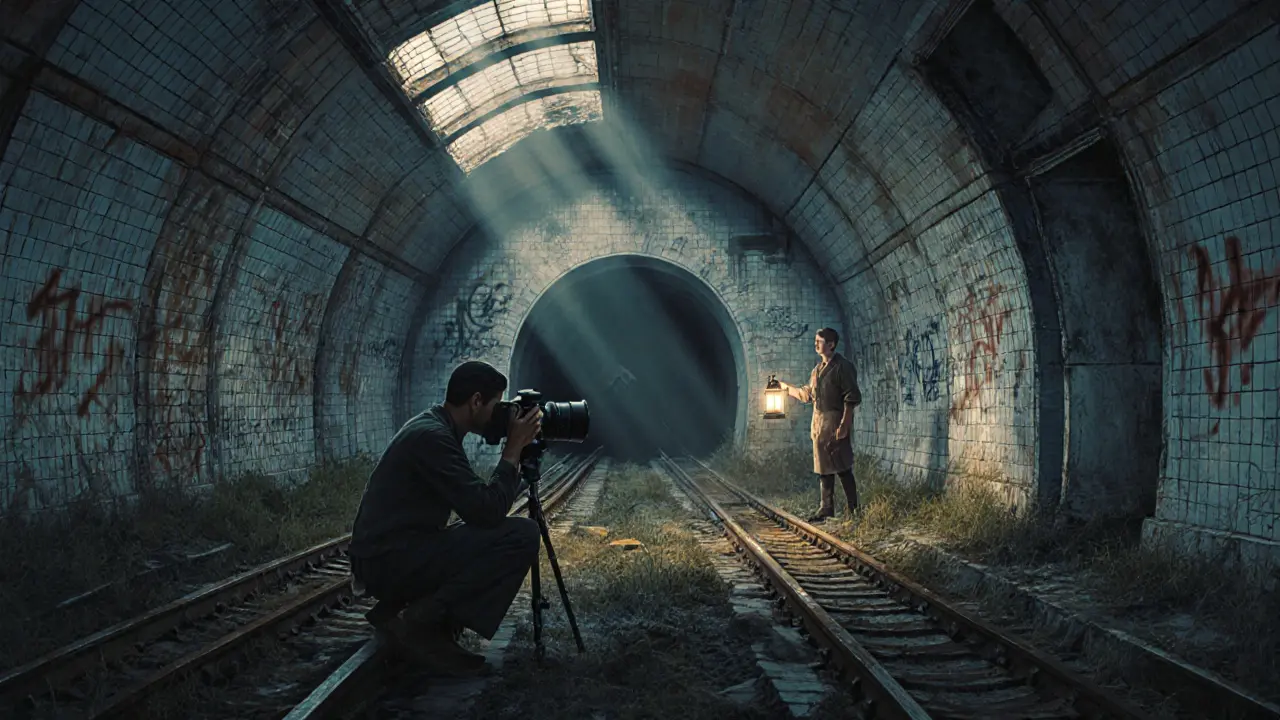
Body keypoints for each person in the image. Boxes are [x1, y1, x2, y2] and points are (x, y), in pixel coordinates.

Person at [348, 360, 544, 676]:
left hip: (391, 553)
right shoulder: (433, 438)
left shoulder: (435, 427)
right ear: (476, 401)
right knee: (522, 535)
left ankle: (410, 615)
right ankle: (421, 625)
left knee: (479, 534)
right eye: (496, 405)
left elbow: (477, 506)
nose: (499, 415)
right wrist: (512, 451)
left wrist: (515, 461)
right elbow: (487, 512)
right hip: (387, 562)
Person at [778, 328, 862, 523]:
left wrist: (845, 423)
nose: (816, 344)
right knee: (823, 466)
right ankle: (826, 508)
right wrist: (787, 389)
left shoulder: (843, 367)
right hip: (819, 421)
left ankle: (854, 508)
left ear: (831, 344)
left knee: (842, 465)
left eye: (820, 341)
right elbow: (808, 394)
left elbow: (851, 397)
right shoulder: (817, 370)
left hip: (834, 419)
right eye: (815, 341)